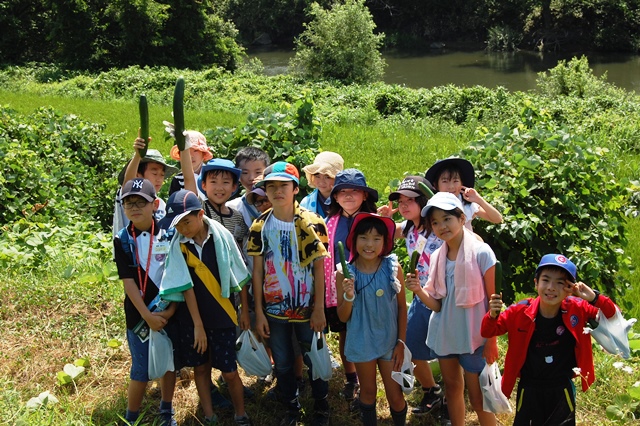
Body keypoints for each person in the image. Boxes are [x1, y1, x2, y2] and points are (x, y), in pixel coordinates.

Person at [481, 254, 617, 426]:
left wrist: (593, 297)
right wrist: (492, 315)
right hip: (530, 386)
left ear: (570, 288)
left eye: (560, 283)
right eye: (546, 280)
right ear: (536, 283)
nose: (551, 288)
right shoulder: (520, 311)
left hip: (561, 386)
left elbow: (612, 315)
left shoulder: (578, 308)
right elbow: (488, 330)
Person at [158, 189, 252, 426]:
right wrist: (198, 325)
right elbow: (185, 286)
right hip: (192, 318)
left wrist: (244, 311)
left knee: (230, 372)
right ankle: (209, 415)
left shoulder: (222, 237)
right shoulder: (180, 246)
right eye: (177, 225)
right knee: (200, 368)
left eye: (186, 222)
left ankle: (241, 414)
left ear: (200, 215)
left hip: (223, 314)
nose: (182, 229)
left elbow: (239, 273)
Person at [247, 162, 331, 426]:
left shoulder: (313, 222)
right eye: (271, 186)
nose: (277, 191)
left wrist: (319, 308)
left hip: (307, 308)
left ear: (295, 189)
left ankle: (321, 406)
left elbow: (320, 269)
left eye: (283, 186)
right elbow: (257, 273)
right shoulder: (260, 225)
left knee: (314, 357)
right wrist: (258, 312)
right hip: (274, 311)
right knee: (282, 362)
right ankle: (291, 408)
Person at [406, 192, 499, 426]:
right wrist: (418, 290)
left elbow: (494, 299)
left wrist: (492, 340)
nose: (441, 226)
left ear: (461, 218)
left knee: (479, 399)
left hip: (474, 336)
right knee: (453, 387)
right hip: (447, 333)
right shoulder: (438, 256)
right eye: (435, 222)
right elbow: (437, 304)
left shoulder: (482, 252)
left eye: (447, 219)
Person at [113, 178, 178, 426]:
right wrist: (146, 315)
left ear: (155, 204)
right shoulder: (122, 239)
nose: (135, 207)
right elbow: (128, 281)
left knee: (168, 363)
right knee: (140, 368)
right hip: (138, 314)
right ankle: (131, 417)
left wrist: (171, 310)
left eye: (141, 202)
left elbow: (177, 275)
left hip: (168, 310)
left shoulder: (170, 233)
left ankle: (166, 410)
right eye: (129, 202)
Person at [377, 176, 444, 417]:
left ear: (425, 201)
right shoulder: (409, 228)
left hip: (444, 298)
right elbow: (385, 233)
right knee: (412, 347)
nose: (404, 206)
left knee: (448, 352)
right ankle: (433, 391)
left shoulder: (438, 225)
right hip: (420, 295)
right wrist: (385, 217)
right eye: (401, 201)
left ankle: (448, 396)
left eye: (411, 201)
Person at [336, 213, 409, 426]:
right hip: (362, 341)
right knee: (367, 392)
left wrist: (401, 343)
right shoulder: (344, 272)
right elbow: (343, 316)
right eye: (364, 238)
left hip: (389, 340)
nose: (370, 244)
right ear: (353, 240)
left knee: (395, 396)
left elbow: (401, 308)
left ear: (385, 243)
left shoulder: (393, 268)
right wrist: (349, 296)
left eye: (377, 239)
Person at [323, 168, 379, 404]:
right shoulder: (328, 223)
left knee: (368, 331)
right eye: (342, 192)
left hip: (369, 286)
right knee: (345, 332)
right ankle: (351, 377)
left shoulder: (374, 222)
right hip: (340, 289)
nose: (348, 196)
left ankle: (372, 377)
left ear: (364, 196)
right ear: (335, 197)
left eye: (354, 191)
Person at [112, 139, 178, 238]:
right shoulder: (128, 197)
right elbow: (128, 183)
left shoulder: (161, 205)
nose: (159, 179)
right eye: (154, 173)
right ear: (137, 175)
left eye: (162, 175)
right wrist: (138, 155)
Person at [425, 157, 502, 231]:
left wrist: (479, 200)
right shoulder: (431, 206)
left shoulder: (467, 204)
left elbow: (497, 219)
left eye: (455, 181)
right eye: (445, 181)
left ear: (462, 183)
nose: (451, 187)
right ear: (435, 185)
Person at [197, 158, 248, 253]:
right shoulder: (201, 208)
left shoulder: (238, 217)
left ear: (234, 187)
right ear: (204, 185)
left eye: (225, 182)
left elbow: (239, 252)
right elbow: (188, 180)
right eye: (213, 182)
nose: (219, 188)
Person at [226, 146, 271, 229]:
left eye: (258, 172)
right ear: (238, 175)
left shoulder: (279, 201)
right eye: (245, 173)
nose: (251, 177)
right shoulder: (232, 207)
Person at [167, 128, 214, 199]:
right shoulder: (178, 179)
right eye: (187, 151)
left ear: (203, 154)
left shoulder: (213, 175)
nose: (191, 155)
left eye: (195, 151)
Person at [300, 151, 344, 218]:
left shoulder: (347, 200)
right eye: (317, 176)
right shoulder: (306, 203)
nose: (321, 181)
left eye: (327, 177)